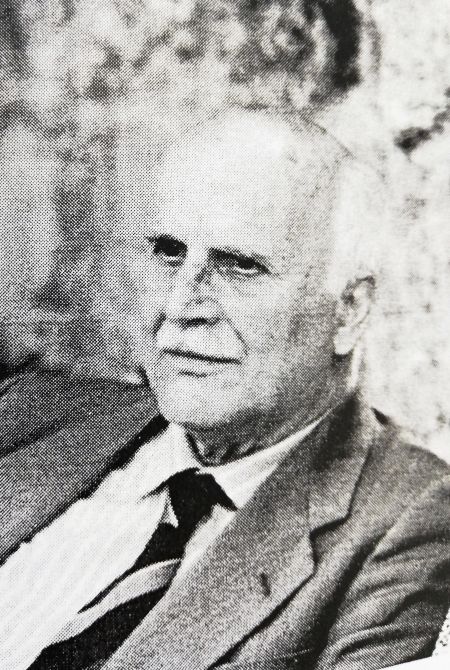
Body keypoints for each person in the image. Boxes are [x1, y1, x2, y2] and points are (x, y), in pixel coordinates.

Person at [0, 108, 448, 670]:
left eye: (240, 266)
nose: (180, 306)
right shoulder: (32, 412)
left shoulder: (412, 523)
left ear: (349, 309)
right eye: (168, 252)